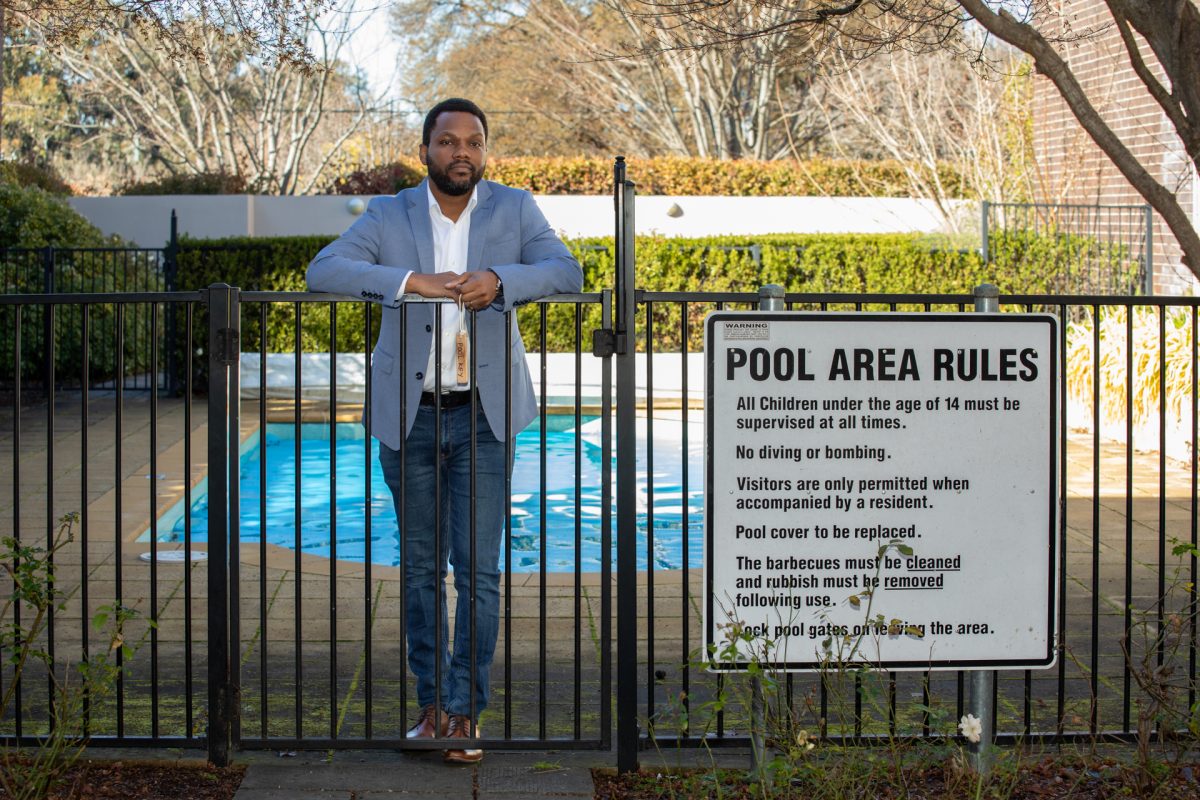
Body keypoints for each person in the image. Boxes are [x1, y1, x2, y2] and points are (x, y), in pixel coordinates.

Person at [306, 98, 582, 763]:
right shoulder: (387, 213)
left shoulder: (514, 209)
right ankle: (430, 706)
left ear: (485, 151)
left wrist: (499, 280)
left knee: (480, 572)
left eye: (474, 142)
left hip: (484, 417)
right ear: (426, 148)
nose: (462, 151)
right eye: (449, 140)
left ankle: (465, 713)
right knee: (423, 572)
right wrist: (411, 282)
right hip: (411, 420)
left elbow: (566, 271)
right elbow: (324, 272)